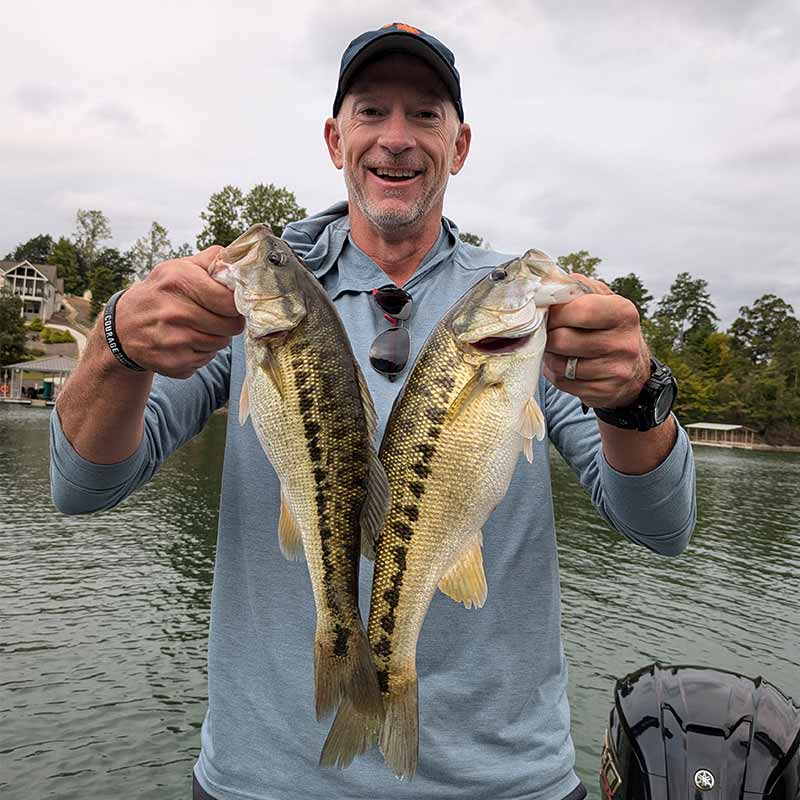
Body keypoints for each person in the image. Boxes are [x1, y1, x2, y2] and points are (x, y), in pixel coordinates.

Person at [50, 23, 696, 800]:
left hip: (508, 782)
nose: (396, 139)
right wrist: (117, 344)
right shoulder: (250, 296)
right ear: (335, 138)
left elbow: (662, 529)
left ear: (460, 146)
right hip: (266, 782)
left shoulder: (525, 316)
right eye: (371, 112)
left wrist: (635, 396)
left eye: (426, 115)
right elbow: (82, 488)